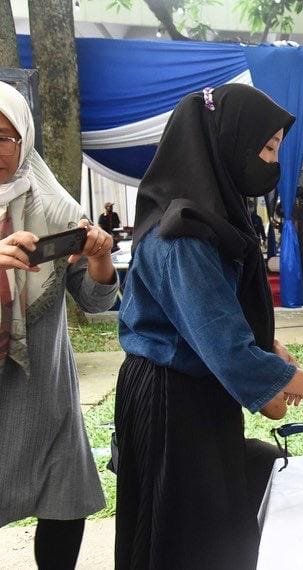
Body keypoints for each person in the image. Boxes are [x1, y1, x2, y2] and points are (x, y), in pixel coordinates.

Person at [114, 84, 303, 570]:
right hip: (171, 398)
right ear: (226, 143)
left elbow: (212, 314)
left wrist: (272, 346)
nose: (271, 163)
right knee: (187, 540)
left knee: (210, 528)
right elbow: (230, 353)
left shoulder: (209, 220)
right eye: (265, 148)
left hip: (197, 389)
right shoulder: (181, 236)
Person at [0, 81, 119, 568]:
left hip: (43, 388)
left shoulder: (55, 210)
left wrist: (99, 262)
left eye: (6, 137)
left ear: (25, 140)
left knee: (64, 498)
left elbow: (95, 301)